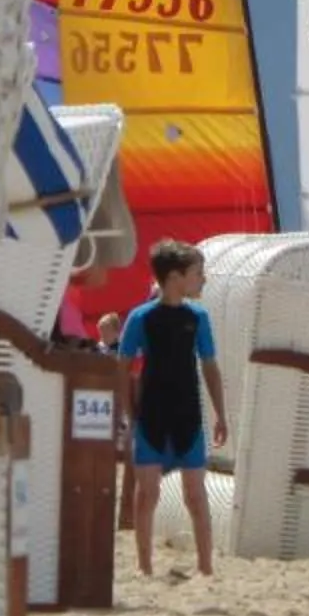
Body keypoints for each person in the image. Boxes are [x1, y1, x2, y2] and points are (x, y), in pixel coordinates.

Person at [115, 240, 230, 579]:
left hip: (188, 415)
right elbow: (123, 365)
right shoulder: (141, 317)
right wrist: (127, 411)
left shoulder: (198, 317)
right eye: (198, 273)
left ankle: (206, 567)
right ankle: (145, 565)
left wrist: (221, 413)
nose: (203, 280)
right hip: (151, 415)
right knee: (147, 493)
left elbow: (210, 365)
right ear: (176, 276)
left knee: (195, 494)